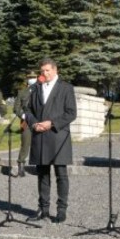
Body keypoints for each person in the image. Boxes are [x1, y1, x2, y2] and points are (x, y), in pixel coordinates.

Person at [25, 58, 77, 224]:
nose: (45, 73)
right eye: (42, 71)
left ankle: (61, 210)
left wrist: (52, 123)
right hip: (40, 135)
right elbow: (28, 110)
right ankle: (43, 208)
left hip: (58, 136)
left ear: (55, 70)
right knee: (42, 175)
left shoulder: (66, 88)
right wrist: (34, 123)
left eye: (47, 70)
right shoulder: (36, 88)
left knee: (61, 174)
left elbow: (71, 113)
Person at [10, 72, 40, 178]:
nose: (32, 79)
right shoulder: (22, 92)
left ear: (37, 78)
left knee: (39, 144)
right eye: (30, 77)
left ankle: (39, 167)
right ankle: (21, 167)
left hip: (38, 120)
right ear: (27, 79)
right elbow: (16, 107)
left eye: (33, 77)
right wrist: (21, 115)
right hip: (26, 121)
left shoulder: (41, 90)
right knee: (25, 144)